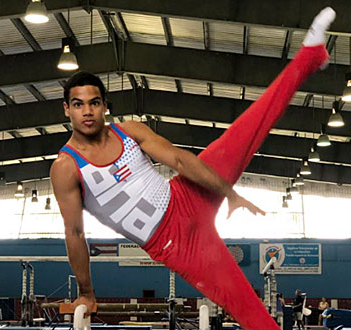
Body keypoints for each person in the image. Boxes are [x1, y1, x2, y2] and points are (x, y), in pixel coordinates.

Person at [50, 7, 336, 330]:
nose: (87, 112)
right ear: (67, 110)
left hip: (187, 193)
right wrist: (87, 293)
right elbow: (74, 233)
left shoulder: (128, 130)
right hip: (179, 245)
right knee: (251, 312)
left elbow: (180, 160)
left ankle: (310, 55)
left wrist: (229, 192)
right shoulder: (67, 167)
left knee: (249, 126)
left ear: (104, 105)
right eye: (78, 104)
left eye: (94, 103)